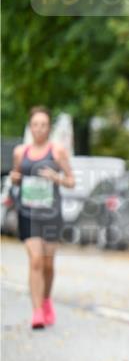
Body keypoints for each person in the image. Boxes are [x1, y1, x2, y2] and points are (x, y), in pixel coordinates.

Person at [9, 106, 75, 330]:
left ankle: (46, 300)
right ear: (30, 127)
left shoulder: (57, 151)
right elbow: (16, 177)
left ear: (49, 128)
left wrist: (56, 178)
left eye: (44, 125)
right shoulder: (20, 152)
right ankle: (37, 311)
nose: (39, 129)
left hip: (51, 214)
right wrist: (15, 178)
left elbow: (71, 181)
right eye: (35, 125)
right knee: (35, 260)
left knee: (47, 264)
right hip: (27, 213)